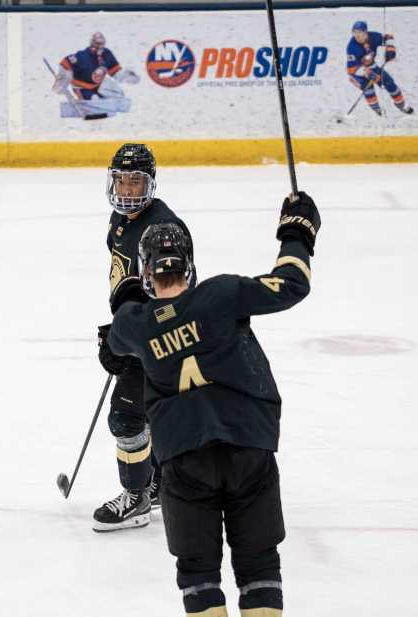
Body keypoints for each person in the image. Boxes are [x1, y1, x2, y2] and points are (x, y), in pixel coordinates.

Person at [102, 190, 321, 616]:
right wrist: (297, 232)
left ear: (147, 270)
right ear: (189, 263)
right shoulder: (222, 294)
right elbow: (292, 284)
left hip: (184, 460)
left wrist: (128, 302)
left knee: (199, 573)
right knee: (259, 566)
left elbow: (113, 341)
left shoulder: (137, 326)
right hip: (247, 446)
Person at [93, 143, 195, 533]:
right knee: (147, 412)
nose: (127, 189)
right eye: (122, 179)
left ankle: (135, 499)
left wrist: (130, 339)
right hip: (139, 331)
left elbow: (174, 298)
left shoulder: (162, 230)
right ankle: (155, 484)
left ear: (150, 184)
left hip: (159, 338)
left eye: (136, 182)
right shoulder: (119, 219)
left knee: (126, 415)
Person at [52, 32, 140, 118]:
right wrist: (61, 81)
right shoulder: (81, 56)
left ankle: (107, 105)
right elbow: (65, 63)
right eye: (97, 44)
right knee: (95, 101)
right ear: (92, 43)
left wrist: (126, 76)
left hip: (100, 84)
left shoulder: (107, 54)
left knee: (120, 98)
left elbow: (115, 71)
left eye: (102, 44)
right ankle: (95, 106)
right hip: (82, 87)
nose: (100, 47)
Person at [346, 20, 414, 116]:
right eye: (354, 32)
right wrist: (367, 73)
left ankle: (401, 105)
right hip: (357, 73)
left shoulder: (373, 36)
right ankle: (377, 110)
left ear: (365, 32)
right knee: (368, 88)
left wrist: (390, 48)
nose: (357, 35)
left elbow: (388, 37)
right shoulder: (352, 47)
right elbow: (351, 69)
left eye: (359, 32)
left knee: (389, 83)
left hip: (371, 66)